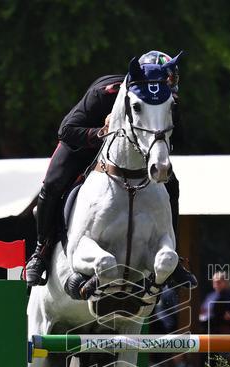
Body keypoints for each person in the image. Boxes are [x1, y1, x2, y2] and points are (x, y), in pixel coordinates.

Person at [25, 50, 193, 291]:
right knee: (52, 184)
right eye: (162, 81)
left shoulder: (166, 103)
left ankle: (172, 259)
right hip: (82, 142)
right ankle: (41, 251)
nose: (167, 87)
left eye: (170, 81)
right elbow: (67, 130)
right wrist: (100, 133)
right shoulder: (106, 92)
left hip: (134, 152)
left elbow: (182, 140)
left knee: (172, 185)